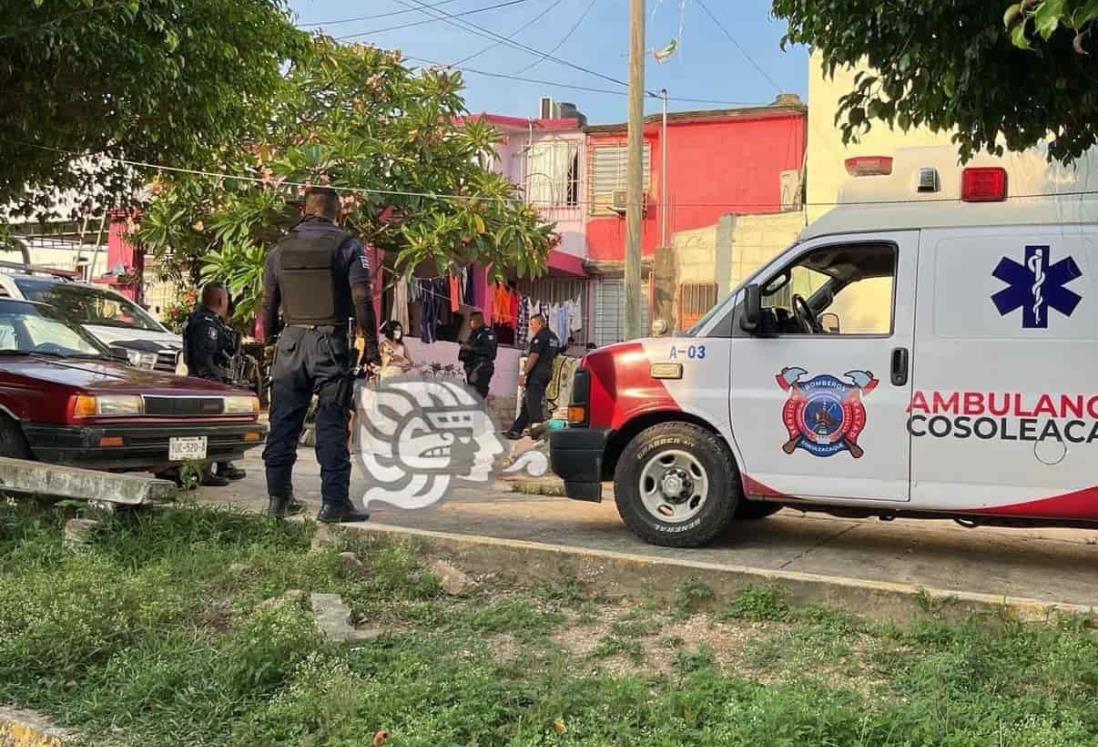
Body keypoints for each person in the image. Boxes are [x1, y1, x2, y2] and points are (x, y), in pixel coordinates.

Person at [259, 186, 380, 523]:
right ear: (337, 212)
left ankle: (278, 500)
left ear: (304, 209)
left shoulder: (279, 249)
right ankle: (334, 503)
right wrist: (371, 348)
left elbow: (268, 302)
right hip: (330, 343)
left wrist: (271, 339)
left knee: (283, 423)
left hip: (290, 343)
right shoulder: (347, 246)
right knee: (331, 422)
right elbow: (362, 299)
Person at [181, 282, 246, 485]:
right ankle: (204, 472)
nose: (228, 303)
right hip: (207, 383)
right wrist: (214, 384)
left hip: (206, 381)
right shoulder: (206, 324)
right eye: (226, 298)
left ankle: (224, 464)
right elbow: (205, 358)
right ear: (220, 300)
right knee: (211, 428)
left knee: (223, 425)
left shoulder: (206, 320)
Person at [505, 314, 559, 440]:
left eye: (532, 324)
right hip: (547, 372)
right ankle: (515, 430)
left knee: (533, 402)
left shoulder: (539, 337)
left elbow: (533, 356)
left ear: (539, 324)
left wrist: (523, 374)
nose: (531, 327)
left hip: (537, 373)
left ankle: (538, 430)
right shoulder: (554, 337)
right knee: (528, 403)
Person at [459, 310, 497, 399]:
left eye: (470, 321)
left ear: (476, 321)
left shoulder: (487, 333)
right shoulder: (474, 333)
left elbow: (490, 352)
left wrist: (471, 348)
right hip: (472, 368)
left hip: (481, 368)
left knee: (477, 396)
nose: (469, 324)